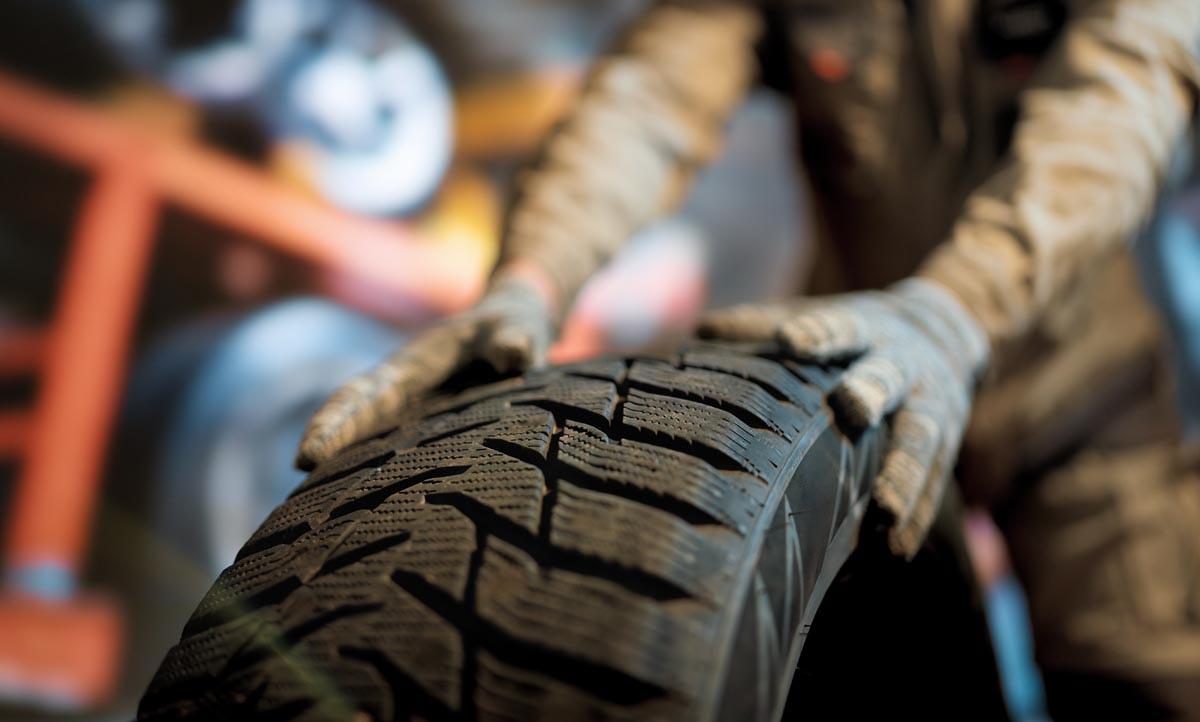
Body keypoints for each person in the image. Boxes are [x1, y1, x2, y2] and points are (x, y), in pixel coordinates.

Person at [297, 1, 1200, 718]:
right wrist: (529, 280)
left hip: (1079, 401)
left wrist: (957, 310)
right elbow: (652, 96)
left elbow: (1126, 91)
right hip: (864, 384)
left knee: (1143, 678)